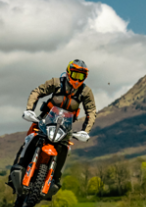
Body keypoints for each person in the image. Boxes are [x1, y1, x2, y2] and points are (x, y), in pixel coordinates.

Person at [8, 59, 96, 194]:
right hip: (45, 120)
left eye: (81, 76)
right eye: (75, 74)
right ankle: (18, 167)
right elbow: (37, 92)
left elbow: (91, 112)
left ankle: (55, 178)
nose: (77, 79)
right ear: (68, 72)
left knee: (66, 148)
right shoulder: (56, 83)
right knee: (30, 138)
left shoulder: (86, 92)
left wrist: (86, 131)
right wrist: (30, 109)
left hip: (65, 127)